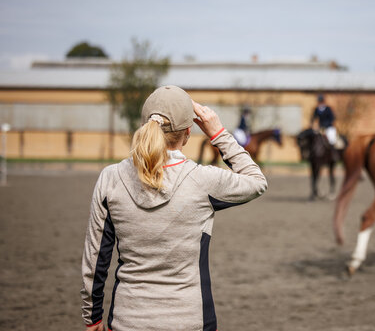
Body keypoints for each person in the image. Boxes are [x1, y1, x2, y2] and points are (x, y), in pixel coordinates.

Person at [81, 85, 267, 331]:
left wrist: (92, 317)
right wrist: (218, 133)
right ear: (188, 134)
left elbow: (95, 259)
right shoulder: (203, 180)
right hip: (191, 321)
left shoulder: (110, 178)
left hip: (128, 320)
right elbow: (257, 182)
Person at [311, 94, 339, 159]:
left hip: (329, 127)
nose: (320, 103)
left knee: (331, 139)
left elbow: (332, 118)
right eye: (319, 101)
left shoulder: (328, 109)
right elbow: (313, 118)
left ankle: (333, 154)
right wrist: (312, 124)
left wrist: (326, 125)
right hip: (321, 128)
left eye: (321, 101)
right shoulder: (317, 109)